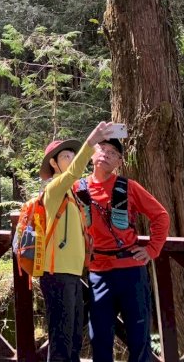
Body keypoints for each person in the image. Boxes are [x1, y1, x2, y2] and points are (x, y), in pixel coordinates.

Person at [81, 137, 169, 362]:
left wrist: (152, 250)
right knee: (99, 337)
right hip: (98, 272)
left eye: (113, 153)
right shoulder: (77, 188)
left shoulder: (129, 187)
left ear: (119, 162)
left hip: (131, 271)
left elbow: (160, 216)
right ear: (91, 154)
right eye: (102, 148)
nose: (106, 154)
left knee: (139, 338)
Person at [38, 121, 118, 362]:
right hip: (55, 273)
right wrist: (91, 141)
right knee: (61, 341)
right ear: (53, 163)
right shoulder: (54, 189)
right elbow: (74, 172)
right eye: (65, 155)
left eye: (72, 154)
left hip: (73, 274)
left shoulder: (72, 195)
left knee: (73, 340)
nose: (71, 158)